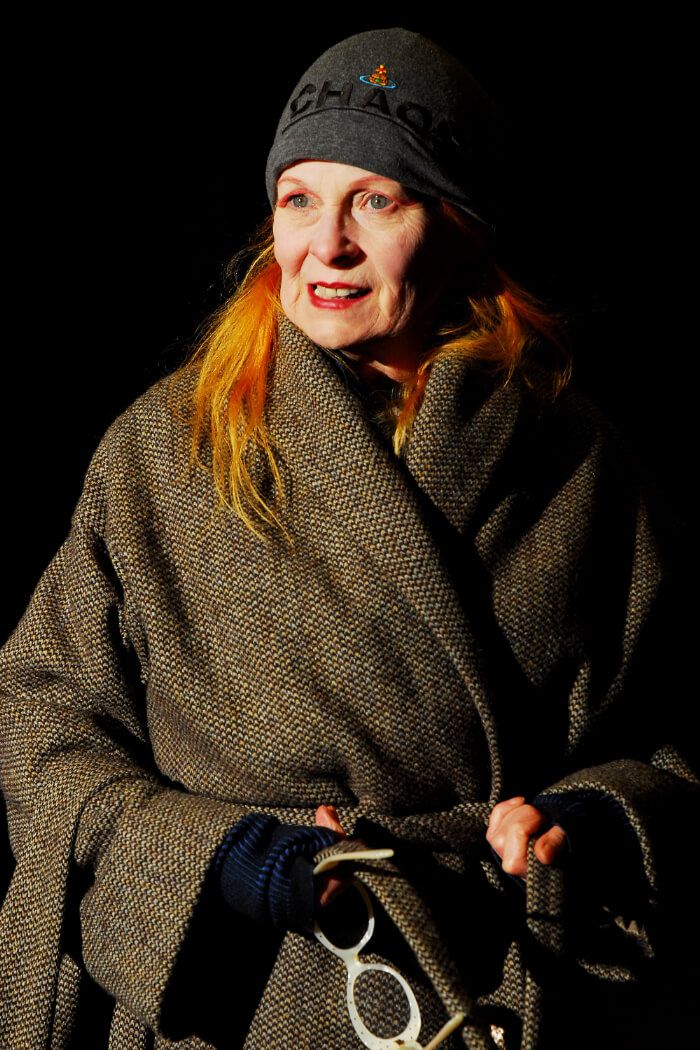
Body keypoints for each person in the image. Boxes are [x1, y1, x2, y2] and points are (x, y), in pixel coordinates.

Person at [0, 26, 696, 1050]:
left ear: (460, 226)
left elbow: (680, 731)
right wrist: (227, 859)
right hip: (258, 993)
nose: (325, 245)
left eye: (376, 200)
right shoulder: (166, 449)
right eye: (299, 200)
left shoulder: (577, 460)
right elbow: (46, 728)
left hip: (499, 988)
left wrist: (590, 818)